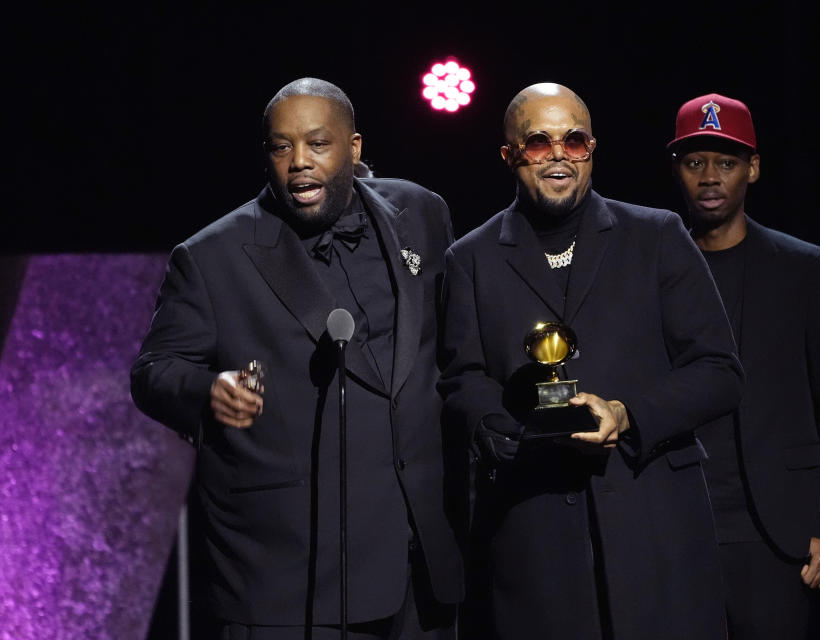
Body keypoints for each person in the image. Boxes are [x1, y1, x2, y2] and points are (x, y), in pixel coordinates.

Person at [130, 78, 463, 639]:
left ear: (354, 148)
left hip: (420, 567)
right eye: (281, 148)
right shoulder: (213, 256)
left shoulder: (421, 213)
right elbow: (154, 372)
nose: (299, 163)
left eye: (317, 144)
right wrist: (208, 390)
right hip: (293, 578)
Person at [438, 82, 743, 640]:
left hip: (655, 527)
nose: (558, 154)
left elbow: (720, 371)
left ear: (592, 148)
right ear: (509, 155)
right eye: (538, 142)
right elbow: (462, 378)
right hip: (535, 535)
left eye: (574, 140)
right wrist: (500, 430)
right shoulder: (471, 258)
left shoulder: (656, 235)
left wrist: (627, 413)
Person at [668, 93, 820, 639]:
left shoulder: (803, 269)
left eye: (726, 163)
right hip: (677, 527)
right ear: (677, 170)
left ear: (752, 169)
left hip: (777, 538)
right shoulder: (652, 270)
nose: (710, 177)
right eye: (695, 162)